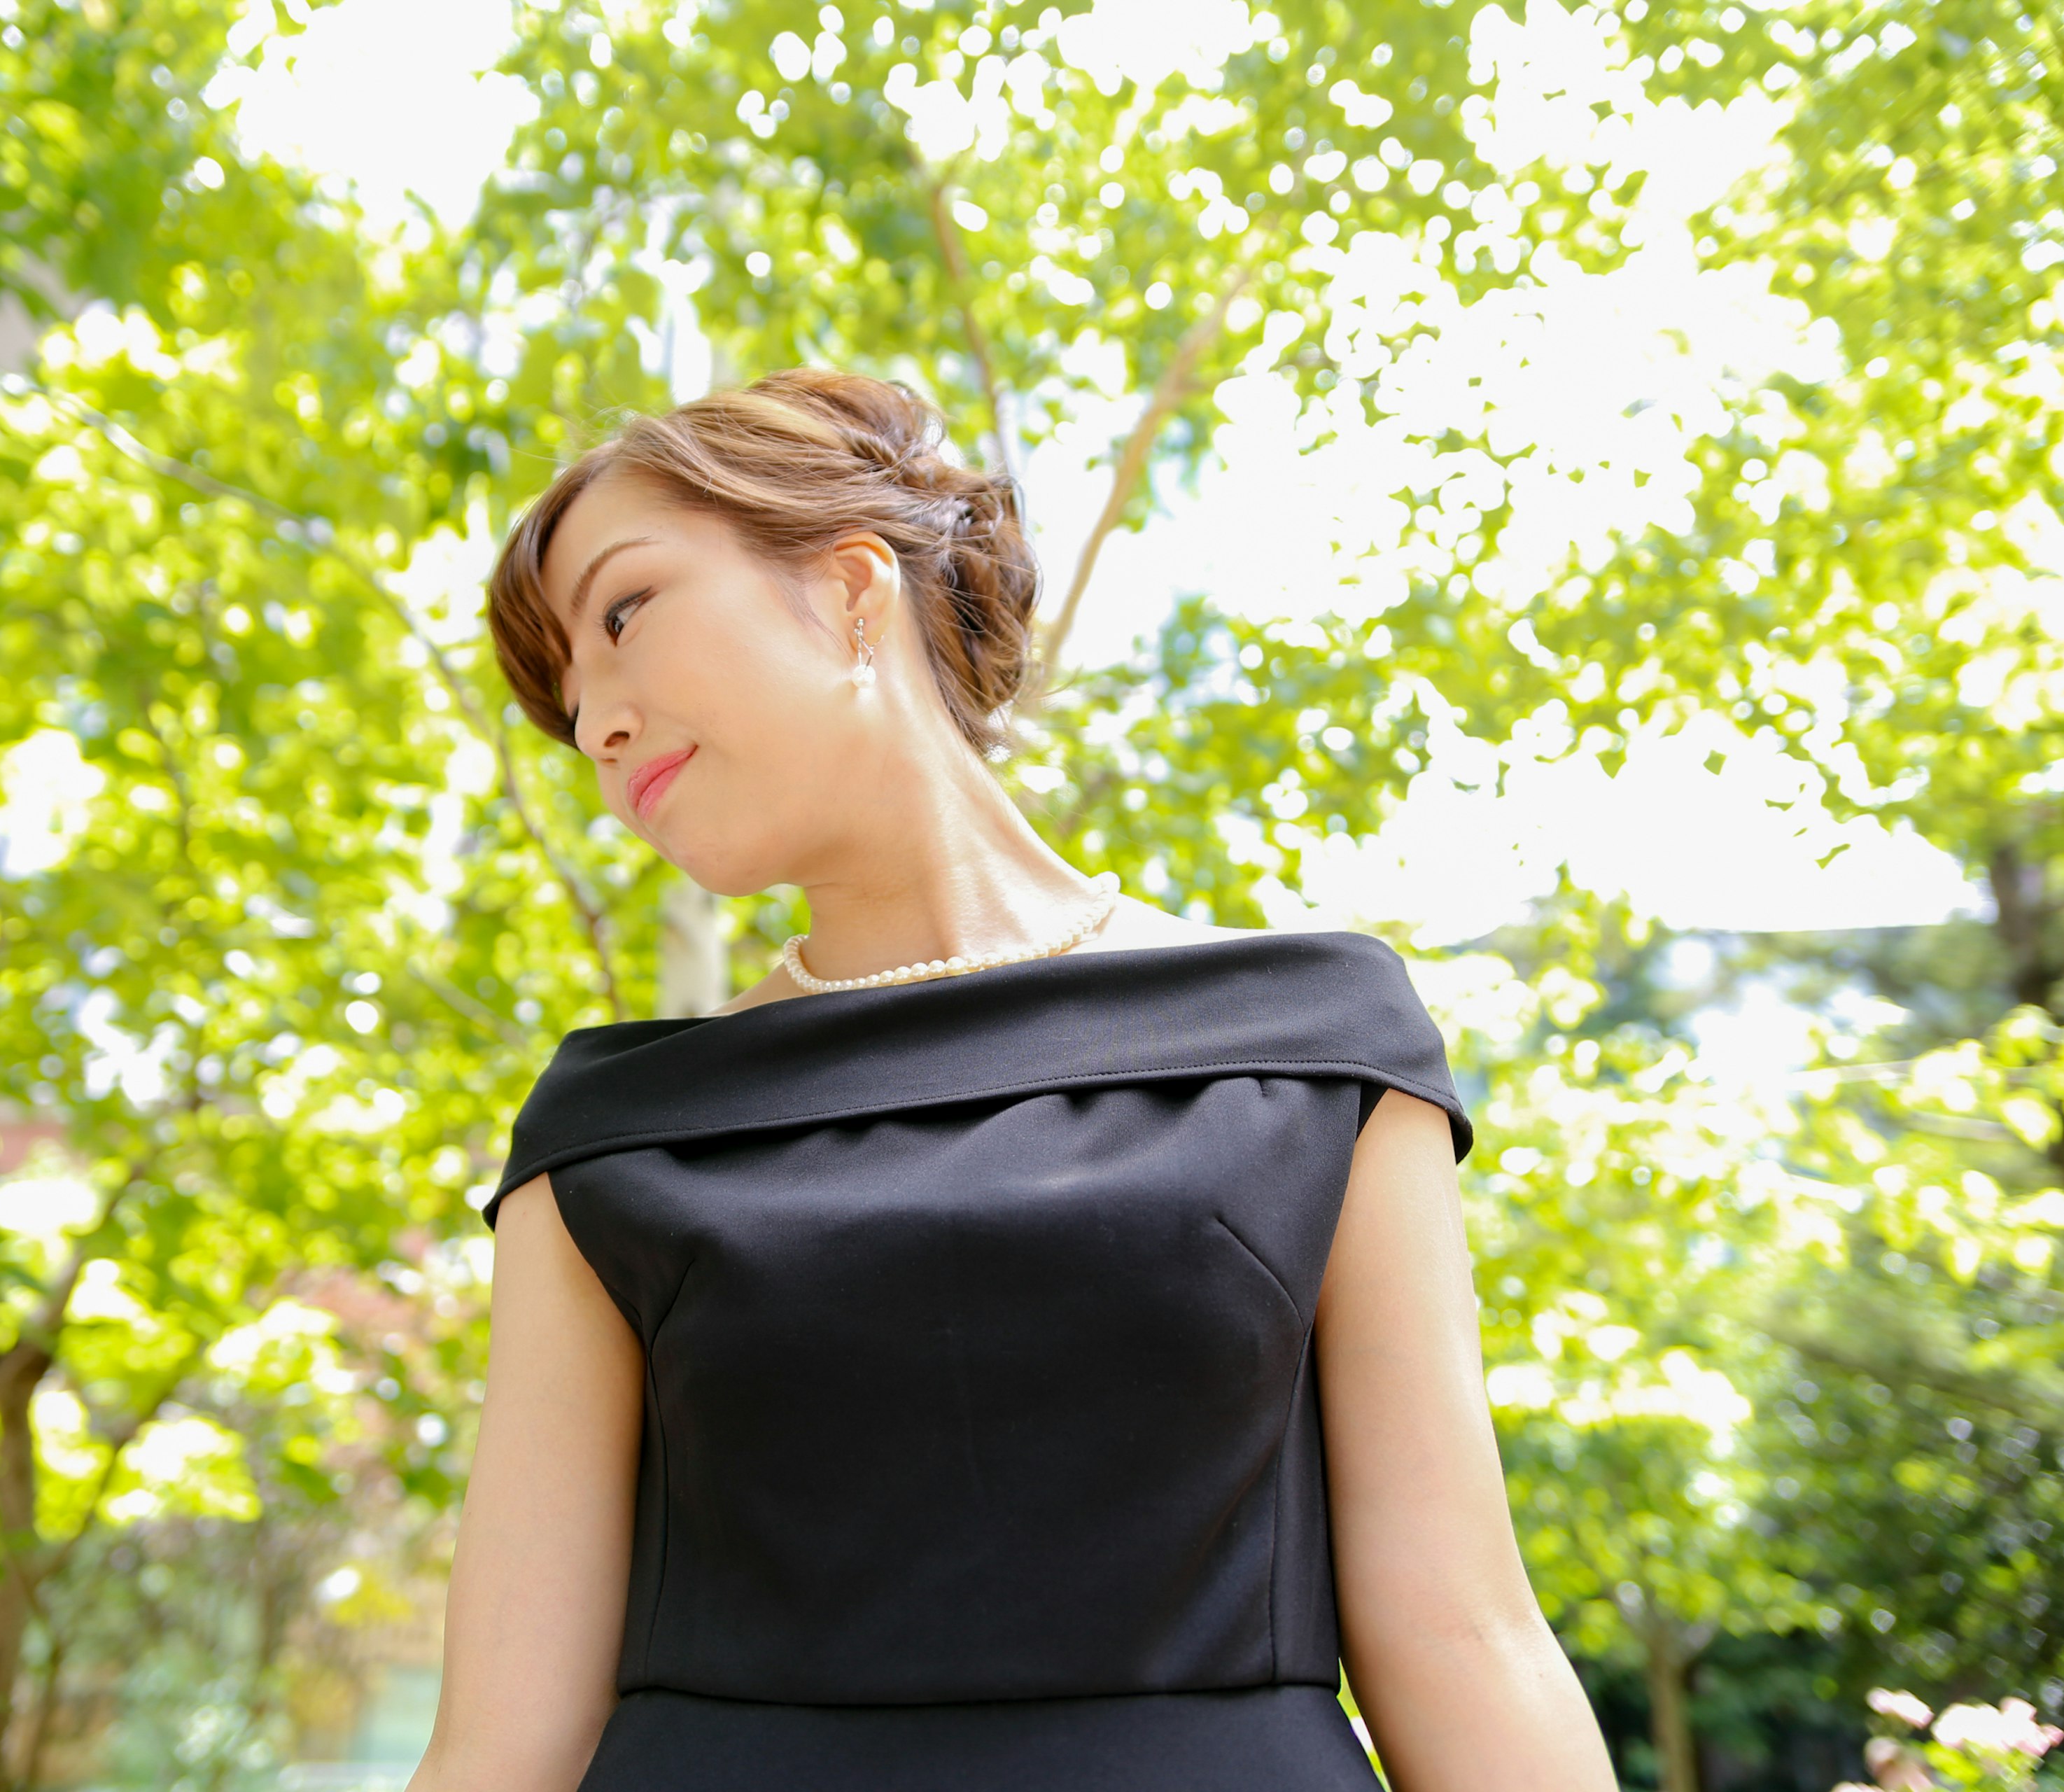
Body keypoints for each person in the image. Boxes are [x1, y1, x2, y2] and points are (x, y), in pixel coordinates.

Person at [408, 369, 1618, 1791]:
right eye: (566, 699)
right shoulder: (611, 1138)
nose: (596, 725)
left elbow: (1467, 1638)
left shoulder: (1315, 1048)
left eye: (621, 615)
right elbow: (503, 1740)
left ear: (853, 591)